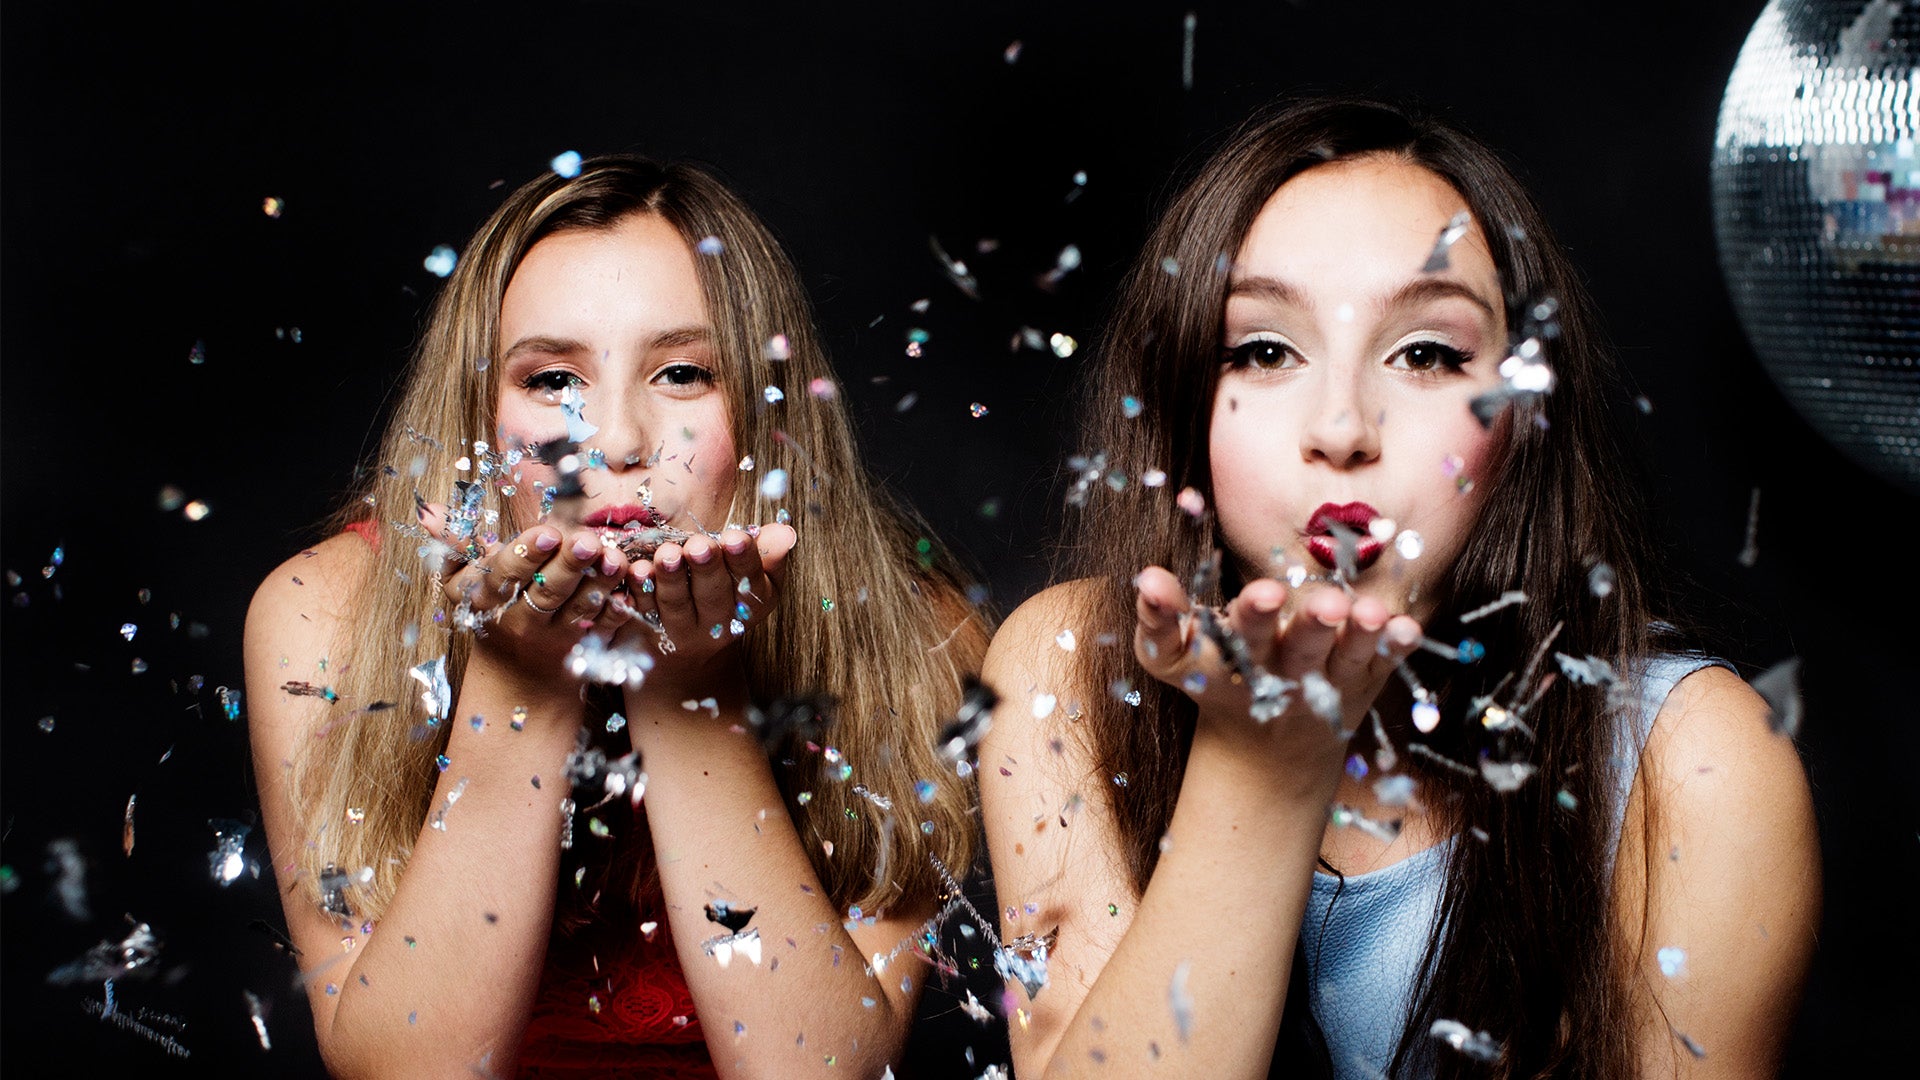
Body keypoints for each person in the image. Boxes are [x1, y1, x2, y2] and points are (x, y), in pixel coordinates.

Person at [977, 97, 1819, 1078]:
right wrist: (1260, 768)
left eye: (1426, 354)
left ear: (1522, 419)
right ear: (1182, 402)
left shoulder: (1696, 766)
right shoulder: (1070, 669)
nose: (1342, 428)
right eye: (1263, 350)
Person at [246, 156, 987, 1079]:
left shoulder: (916, 637)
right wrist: (519, 687)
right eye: (554, 381)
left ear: (767, 411)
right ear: (478, 411)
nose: (623, 442)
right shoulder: (328, 614)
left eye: (682, 373)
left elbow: (819, 1071)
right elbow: (409, 1069)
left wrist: (689, 692)